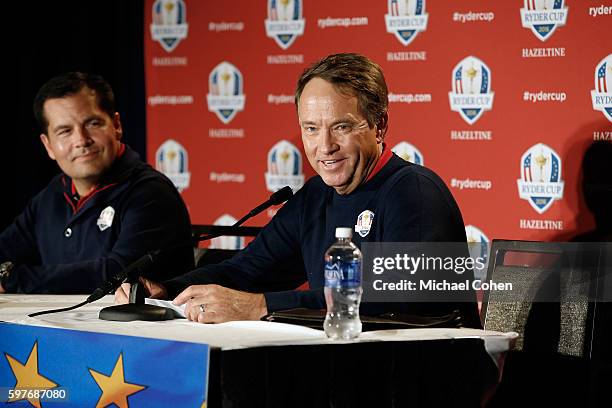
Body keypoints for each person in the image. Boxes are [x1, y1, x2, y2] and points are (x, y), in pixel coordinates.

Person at [116, 53, 481, 328]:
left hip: (429, 371)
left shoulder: (414, 192)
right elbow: (247, 271)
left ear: (379, 125)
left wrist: (261, 306)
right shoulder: (315, 196)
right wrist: (164, 290)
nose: (324, 146)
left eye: (341, 127)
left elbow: (398, 301)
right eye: (310, 128)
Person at [0, 72, 194, 293]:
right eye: (65, 131)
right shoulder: (53, 193)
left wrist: (13, 280)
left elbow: (118, 273)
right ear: (48, 146)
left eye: (92, 123)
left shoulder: (151, 193)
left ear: (117, 125)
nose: (81, 140)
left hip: (130, 328)